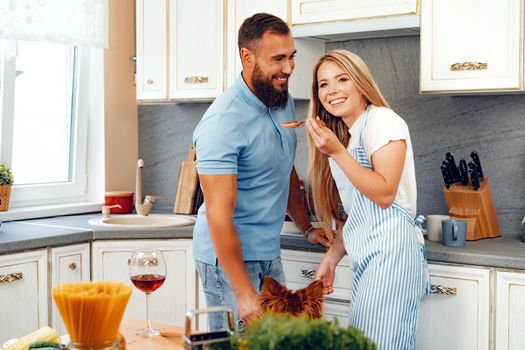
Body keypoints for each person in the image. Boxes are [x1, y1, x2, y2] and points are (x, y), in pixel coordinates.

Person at [192, 13, 330, 330]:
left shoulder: (278, 98)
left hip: (268, 251)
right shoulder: (222, 123)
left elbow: (284, 169)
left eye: (292, 57)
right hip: (228, 259)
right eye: (278, 58)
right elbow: (218, 216)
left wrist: (306, 227)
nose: (289, 68)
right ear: (247, 56)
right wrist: (243, 292)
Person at [305, 49, 431, 349]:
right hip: (369, 257)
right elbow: (361, 212)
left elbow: (385, 193)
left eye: (342, 79)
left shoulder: (383, 121)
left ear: (360, 83)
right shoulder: (349, 135)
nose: (332, 90)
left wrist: (336, 152)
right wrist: (332, 257)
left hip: (391, 256)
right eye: (323, 84)